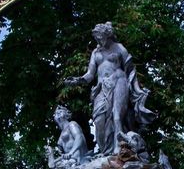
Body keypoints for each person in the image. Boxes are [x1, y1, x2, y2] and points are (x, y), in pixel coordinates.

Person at [66, 22, 155, 155]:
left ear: (107, 35)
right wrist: (78, 80)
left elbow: (130, 70)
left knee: (117, 116)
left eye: (100, 37)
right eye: (96, 37)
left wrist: (137, 89)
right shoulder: (96, 52)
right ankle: (105, 150)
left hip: (119, 81)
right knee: (99, 119)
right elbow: (90, 74)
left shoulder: (119, 48)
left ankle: (118, 147)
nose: (98, 40)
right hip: (102, 86)